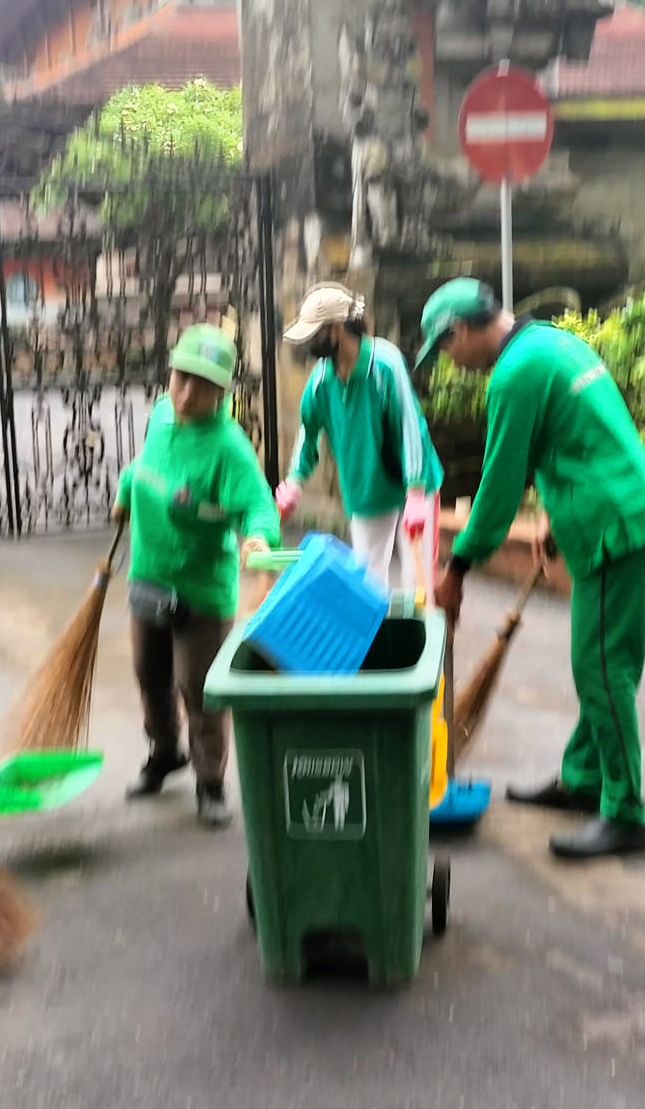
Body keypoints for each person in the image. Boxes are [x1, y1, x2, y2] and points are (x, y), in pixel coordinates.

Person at [417, 278, 645, 862]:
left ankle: (626, 813)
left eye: (445, 350)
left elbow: (499, 484)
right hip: (617, 510)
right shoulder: (554, 346)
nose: (449, 363)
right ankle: (585, 779)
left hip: (615, 527)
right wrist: (557, 516)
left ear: (459, 331)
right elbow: (586, 438)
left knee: (603, 671)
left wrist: (456, 568)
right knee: (601, 664)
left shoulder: (514, 374)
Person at [114, 324, 280, 829]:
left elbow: (258, 507)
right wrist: (124, 491)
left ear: (222, 391)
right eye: (180, 377)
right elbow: (144, 467)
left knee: (199, 688)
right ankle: (166, 753)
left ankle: (210, 781)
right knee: (150, 675)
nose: (186, 393)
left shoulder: (229, 449)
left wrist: (258, 540)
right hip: (148, 573)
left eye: (202, 384)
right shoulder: (161, 416)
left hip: (200, 591)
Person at [277, 283, 445, 589]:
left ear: (336, 329)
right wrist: (294, 481)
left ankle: (426, 635)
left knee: (419, 587)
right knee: (368, 587)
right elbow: (309, 431)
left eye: (314, 333)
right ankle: (379, 639)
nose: (309, 344)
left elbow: (411, 426)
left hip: (413, 485)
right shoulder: (320, 381)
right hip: (366, 491)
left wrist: (417, 493)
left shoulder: (384, 365)